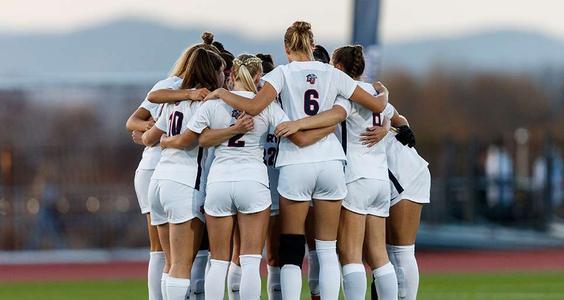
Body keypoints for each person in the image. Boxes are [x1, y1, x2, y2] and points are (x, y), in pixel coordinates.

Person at [204, 21, 389, 299]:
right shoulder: (333, 73)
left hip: (295, 163)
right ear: (313, 46)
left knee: (292, 248)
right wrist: (383, 91)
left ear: (286, 48)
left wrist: (221, 93)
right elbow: (376, 105)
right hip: (330, 162)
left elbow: (254, 106)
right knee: (326, 250)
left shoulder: (280, 74)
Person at [125, 33, 215, 300]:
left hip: (161, 174)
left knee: (167, 256)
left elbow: (148, 131)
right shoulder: (182, 90)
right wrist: (158, 135)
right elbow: (134, 121)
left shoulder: (177, 96)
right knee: (171, 255)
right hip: (169, 171)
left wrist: (153, 136)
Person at [331, 45, 399, 300]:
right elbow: (399, 120)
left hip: (356, 176)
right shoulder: (376, 92)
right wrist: (387, 125)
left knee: (350, 254)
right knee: (379, 255)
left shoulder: (345, 95)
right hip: (380, 179)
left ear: (339, 68)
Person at [360, 94, 429, 300]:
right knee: (380, 252)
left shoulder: (355, 91)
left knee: (400, 250)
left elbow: (397, 117)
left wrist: (396, 126)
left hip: (404, 173)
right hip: (381, 177)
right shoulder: (367, 92)